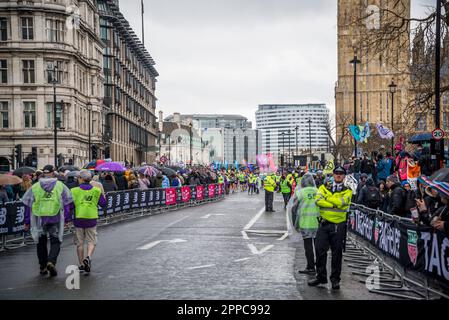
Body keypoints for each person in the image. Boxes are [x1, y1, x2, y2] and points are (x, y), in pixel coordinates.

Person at [21, 165, 73, 277]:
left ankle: (43, 266)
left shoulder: (35, 186)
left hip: (40, 219)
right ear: (53, 173)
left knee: (41, 243)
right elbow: (67, 202)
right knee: (55, 241)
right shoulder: (60, 185)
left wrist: (26, 221)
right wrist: (68, 218)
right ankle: (51, 261)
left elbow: (28, 204)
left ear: (44, 173)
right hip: (55, 218)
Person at [308, 166, 353, 290]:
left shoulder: (348, 190)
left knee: (336, 253)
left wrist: (327, 199)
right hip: (324, 224)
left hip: (338, 225)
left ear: (344, 176)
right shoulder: (323, 187)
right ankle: (321, 277)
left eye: (341, 173)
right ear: (333, 175)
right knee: (319, 250)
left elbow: (343, 203)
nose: (338, 175)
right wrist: (335, 202)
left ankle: (335, 280)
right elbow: (318, 201)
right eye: (336, 173)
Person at [70, 170, 106, 274]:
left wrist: (68, 217)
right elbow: (103, 204)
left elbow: (70, 205)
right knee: (92, 240)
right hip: (91, 217)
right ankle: (88, 257)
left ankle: (81, 264)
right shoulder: (96, 190)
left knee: (79, 243)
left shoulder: (74, 190)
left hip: (79, 218)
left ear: (81, 179)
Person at [291, 173, 320, 274]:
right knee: (318, 247)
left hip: (305, 223)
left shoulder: (300, 193)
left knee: (308, 247)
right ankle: (319, 266)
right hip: (318, 223)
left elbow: (293, 209)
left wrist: (295, 223)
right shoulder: (318, 191)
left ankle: (310, 267)